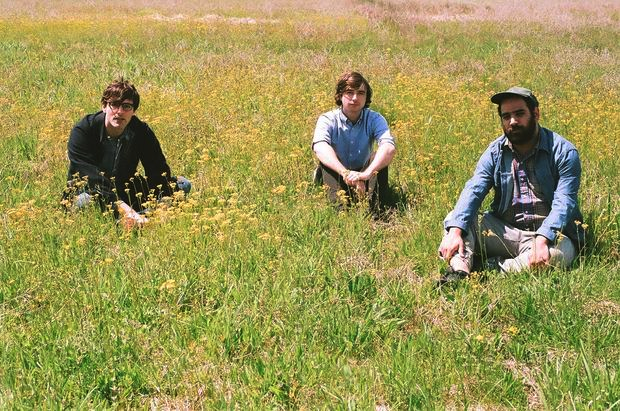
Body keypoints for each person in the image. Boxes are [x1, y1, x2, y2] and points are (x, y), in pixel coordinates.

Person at [437, 86, 585, 285]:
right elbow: (475, 188)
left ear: (536, 114)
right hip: (504, 231)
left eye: (519, 114)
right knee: (454, 220)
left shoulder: (563, 152)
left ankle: (490, 269)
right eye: (506, 116)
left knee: (559, 254)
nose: (512, 121)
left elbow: (564, 202)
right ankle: (459, 271)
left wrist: (542, 239)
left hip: (551, 235)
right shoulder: (494, 152)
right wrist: (455, 231)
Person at [62, 78, 190, 228]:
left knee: (183, 185)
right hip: (92, 192)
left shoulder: (141, 131)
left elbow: (158, 170)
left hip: (125, 189)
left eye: (126, 106)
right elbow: (92, 179)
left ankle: (139, 219)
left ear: (133, 111)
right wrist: (127, 211)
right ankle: (133, 218)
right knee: (85, 203)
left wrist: (163, 203)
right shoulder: (84, 130)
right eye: (114, 104)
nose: (120, 112)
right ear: (104, 106)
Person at [312, 71, 396, 213]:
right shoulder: (327, 119)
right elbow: (320, 147)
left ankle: (376, 209)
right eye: (349, 92)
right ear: (340, 95)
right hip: (338, 172)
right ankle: (340, 209)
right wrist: (345, 173)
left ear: (366, 97)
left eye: (361, 93)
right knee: (328, 158)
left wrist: (366, 174)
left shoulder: (375, 119)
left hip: (364, 172)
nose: (355, 98)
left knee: (379, 155)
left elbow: (389, 148)